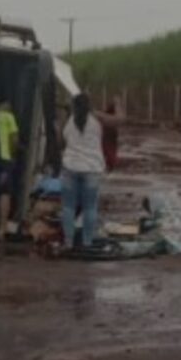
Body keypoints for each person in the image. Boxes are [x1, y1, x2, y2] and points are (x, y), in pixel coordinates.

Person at [60, 93, 124, 250]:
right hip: (92, 169)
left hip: (70, 167)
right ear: (89, 105)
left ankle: (68, 242)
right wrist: (117, 104)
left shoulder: (69, 119)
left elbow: (61, 139)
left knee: (68, 207)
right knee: (90, 207)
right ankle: (87, 241)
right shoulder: (96, 117)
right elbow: (119, 120)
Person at [0, 100, 19, 244]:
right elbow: (14, 140)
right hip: (5, 158)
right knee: (4, 193)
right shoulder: (9, 117)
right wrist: (13, 155)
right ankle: (2, 228)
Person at [101, 102, 120, 172]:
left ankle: (110, 163)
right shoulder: (114, 117)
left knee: (106, 149)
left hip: (106, 134)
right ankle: (111, 163)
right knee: (111, 149)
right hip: (112, 134)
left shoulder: (104, 116)